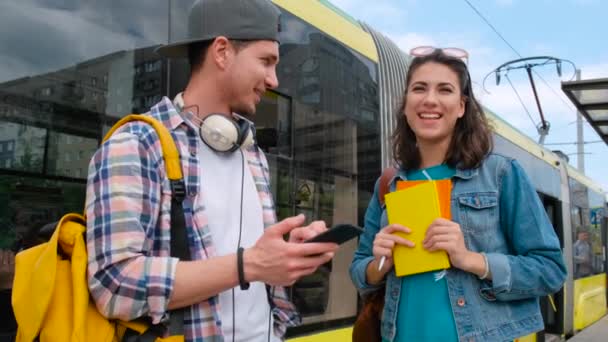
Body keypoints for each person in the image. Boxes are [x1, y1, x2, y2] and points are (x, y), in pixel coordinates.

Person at [85, 0, 338, 341]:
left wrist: (286, 255)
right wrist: (248, 265)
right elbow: (114, 285)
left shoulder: (253, 154)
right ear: (222, 52)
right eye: (266, 61)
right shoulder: (136, 145)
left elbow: (254, 263)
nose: (274, 79)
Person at [350, 47, 567, 342]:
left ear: (462, 106)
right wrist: (381, 265)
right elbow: (359, 269)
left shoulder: (501, 175)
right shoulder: (389, 185)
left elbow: (551, 270)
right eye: (419, 88)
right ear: (405, 105)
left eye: (445, 90)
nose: (430, 99)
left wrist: (471, 259)